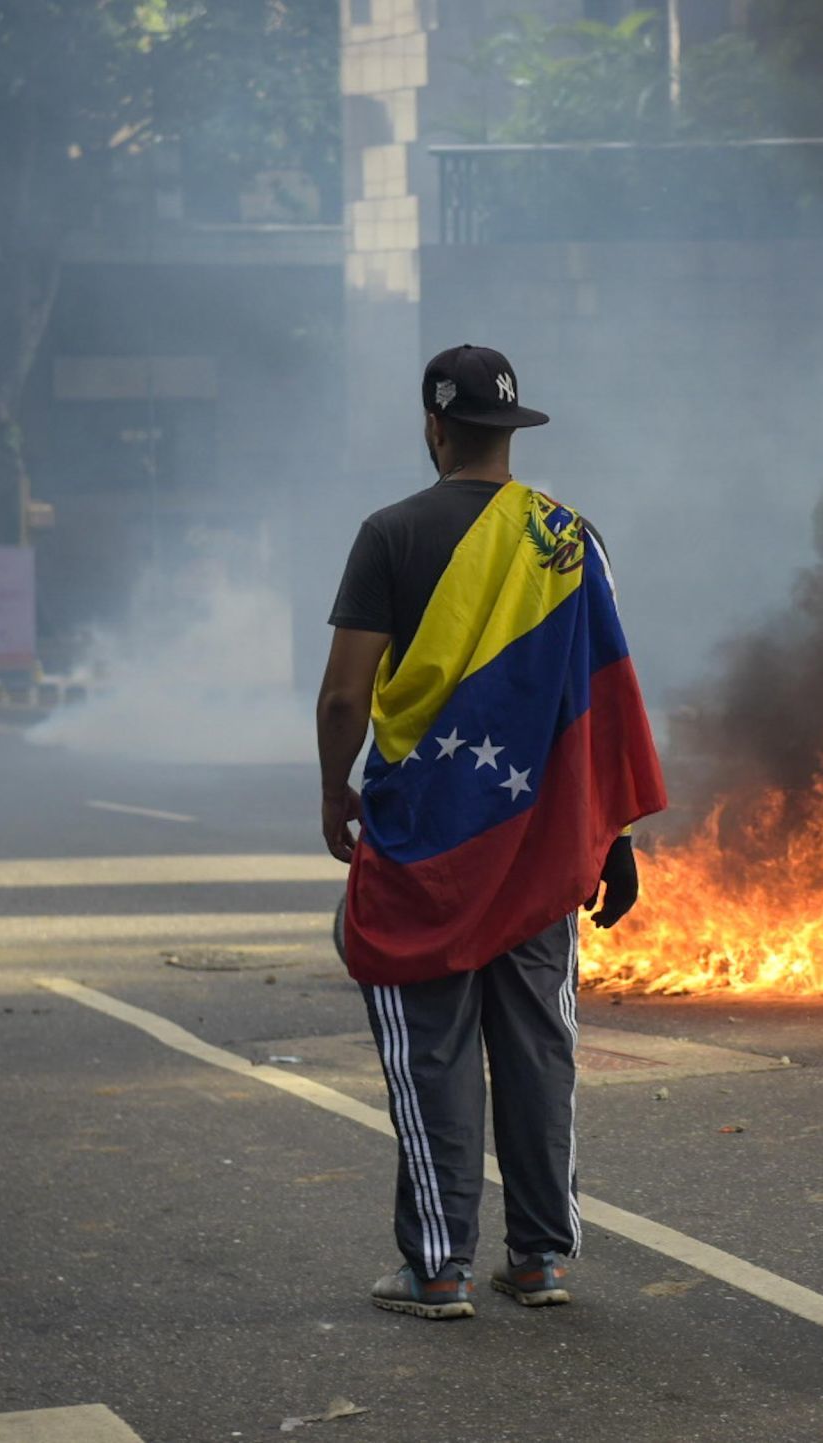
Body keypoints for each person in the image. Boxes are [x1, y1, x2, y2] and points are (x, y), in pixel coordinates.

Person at [316, 344, 667, 1320]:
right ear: (513, 431)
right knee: (538, 1045)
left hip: (429, 837)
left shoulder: (390, 536)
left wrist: (332, 793)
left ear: (433, 427)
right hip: (543, 842)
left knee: (431, 1047)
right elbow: (605, 699)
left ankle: (437, 1267)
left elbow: (347, 695)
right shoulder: (567, 538)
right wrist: (618, 836)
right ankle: (540, 1259)